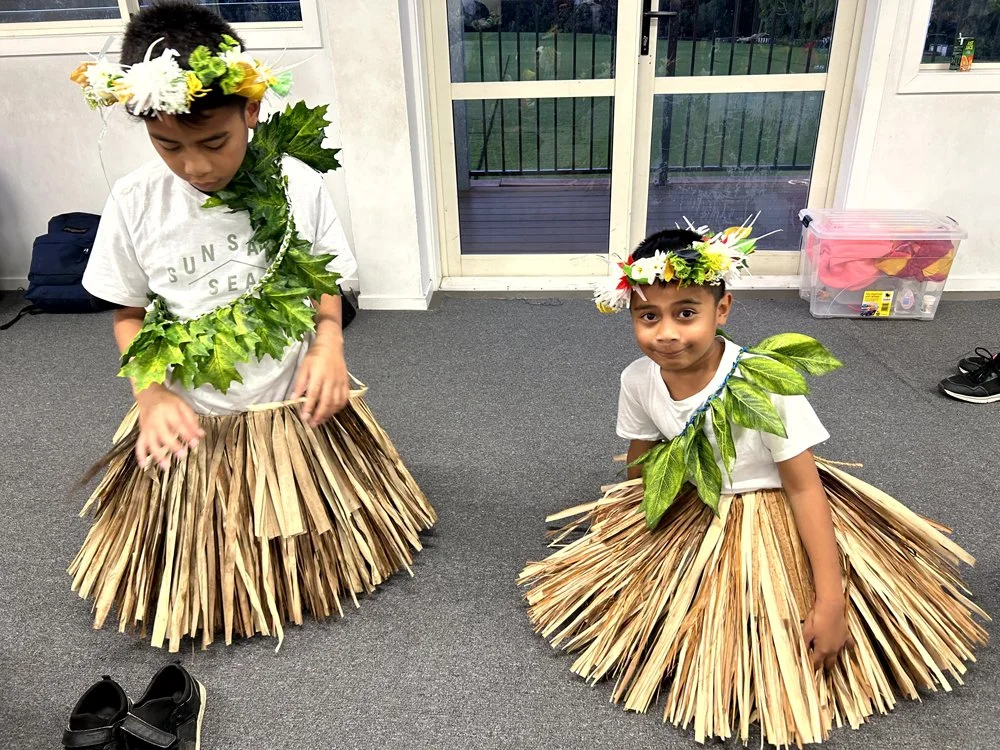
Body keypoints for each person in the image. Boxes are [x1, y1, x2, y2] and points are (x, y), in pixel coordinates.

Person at [519, 223, 987, 746]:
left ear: (722, 309)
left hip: (775, 504)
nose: (667, 333)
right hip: (697, 501)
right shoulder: (637, 378)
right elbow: (642, 460)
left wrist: (831, 602)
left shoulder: (763, 382)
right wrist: (628, 529)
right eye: (649, 316)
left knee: (772, 623)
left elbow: (805, 489)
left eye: (686, 313)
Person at [68, 0, 436, 655]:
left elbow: (324, 277)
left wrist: (329, 341)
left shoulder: (295, 183)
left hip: (290, 403)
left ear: (251, 110)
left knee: (313, 546)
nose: (196, 166)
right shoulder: (135, 201)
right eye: (168, 146)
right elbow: (127, 311)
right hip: (194, 415)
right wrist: (149, 396)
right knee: (202, 560)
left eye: (213, 142)